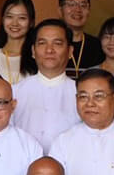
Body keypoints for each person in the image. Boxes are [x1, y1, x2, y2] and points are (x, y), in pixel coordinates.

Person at [13, 19, 81, 149]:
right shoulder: (15, 92)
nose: (49, 50)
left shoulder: (80, 94)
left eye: (57, 43)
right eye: (42, 43)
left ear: (70, 51)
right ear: (33, 51)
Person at [58, 0, 103, 75]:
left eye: (83, 5)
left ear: (89, 11)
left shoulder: (98, 46)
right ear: (60, 11)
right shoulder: (53, 45)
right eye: (71, 4)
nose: (78, 9)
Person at [0, 0, 34, 84]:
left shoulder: (39, 57)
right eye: (9, 17)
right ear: (2, 20)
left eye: (22, 18)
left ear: (31, 22)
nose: (15, 23)